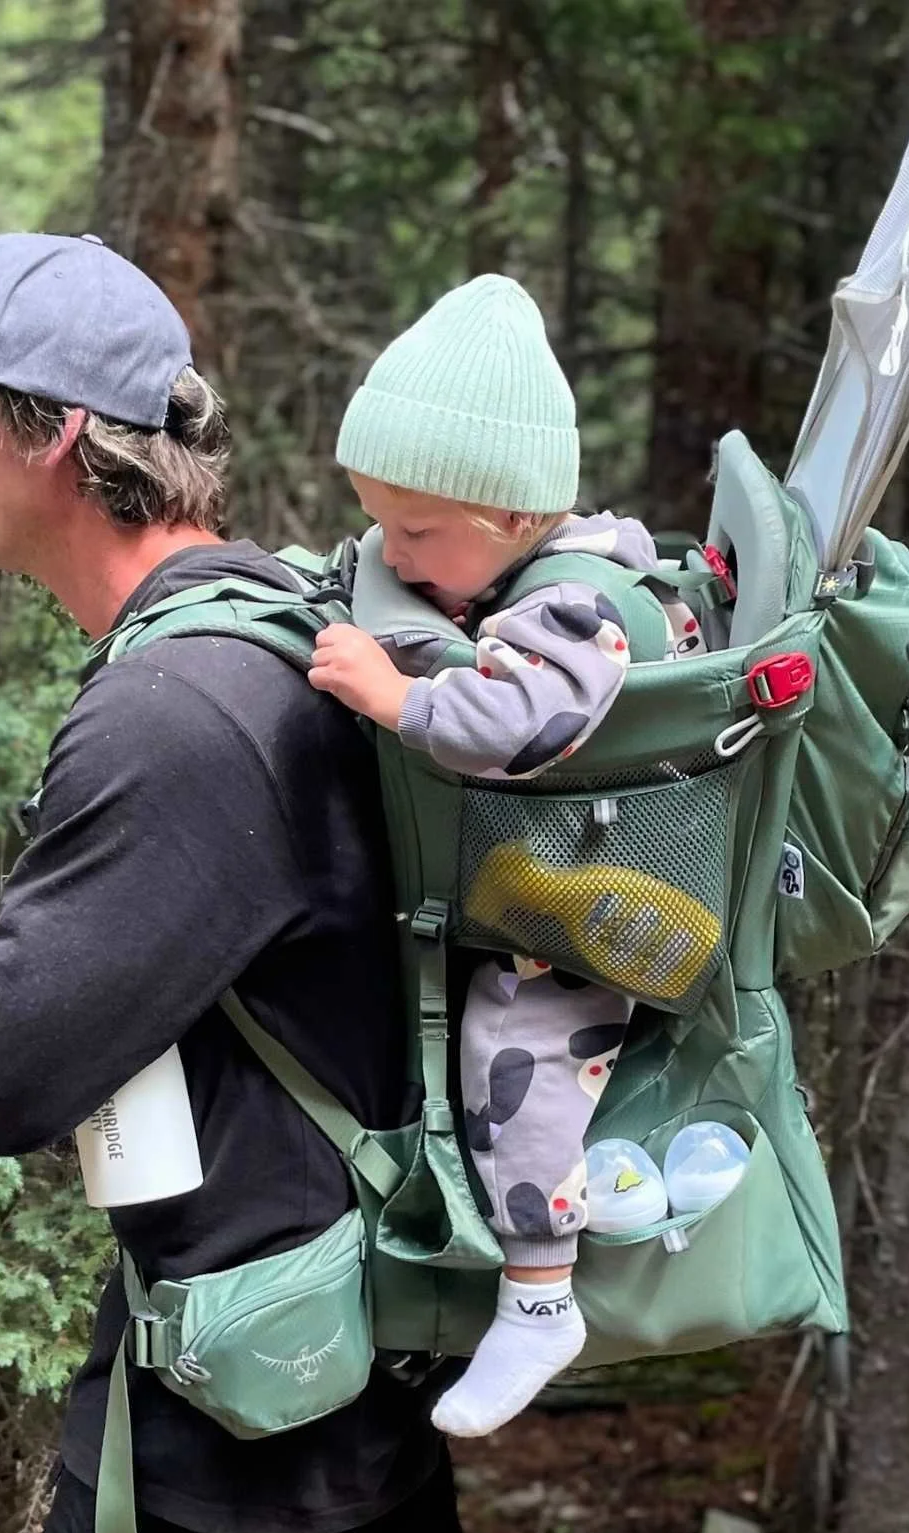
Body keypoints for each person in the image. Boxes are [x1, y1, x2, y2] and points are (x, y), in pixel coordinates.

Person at [0, 233, 473, 1533]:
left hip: (244, 1461)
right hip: (338, 1380)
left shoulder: (175, 712)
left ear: (56, 433)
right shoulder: (275, 623)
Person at [305, 275, 701, 1438]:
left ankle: (539, 1294)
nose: (394, 550)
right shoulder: (532, 566)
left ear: (519, 518)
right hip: (568, 867)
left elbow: (522, 724)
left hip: (601, 909)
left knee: (511, 1046)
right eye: (378, 523)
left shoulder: (578, 606)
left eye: (417, 534)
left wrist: (396, 695)